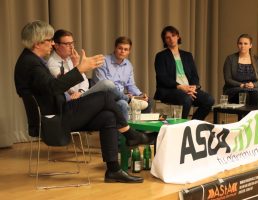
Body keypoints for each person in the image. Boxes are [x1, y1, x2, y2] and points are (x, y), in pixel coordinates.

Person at [14, 20, 154, 183]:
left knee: (108, 116)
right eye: (50, 40)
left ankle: (113, 170)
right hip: (54, 120)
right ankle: (130, 134)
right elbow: (53, 88)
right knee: (106, 96)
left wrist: (76, 68)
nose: (52, 44)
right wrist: (80, 69)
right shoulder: (31, 64)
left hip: (59, 112)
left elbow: (52, 87)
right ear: (38, 43)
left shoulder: (31, 60)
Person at [47, 29, 130, 117]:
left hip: (81, 94)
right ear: (56, 45)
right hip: (72, 101)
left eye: (72, 43)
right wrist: (77, 67)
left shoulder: (71, 58)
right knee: (107, 84)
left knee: (122, 104)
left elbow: (85, 82)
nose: (71, 47)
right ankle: (130, 100)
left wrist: (81, 90)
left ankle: (124, 130)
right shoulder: (52, 64)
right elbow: (67, 86)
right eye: (67, 44)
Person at [154, 25, 214, 120]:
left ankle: (193, 124)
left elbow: (194, 75)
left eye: (173, 36)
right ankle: (180, 126)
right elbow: (162, 77)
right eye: (167, 37)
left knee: (209, 100)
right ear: (165, 41)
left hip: (188, 89)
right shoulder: (161, 56)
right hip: (170, 90)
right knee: (186, 99)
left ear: (178, 37)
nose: (171, 39)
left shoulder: (187, 55)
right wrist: (180, 86)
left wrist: (194, 86)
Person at [92, 36, 152, 116]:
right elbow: (103, 86)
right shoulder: (103, 61)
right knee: (123, 103)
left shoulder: (128, 65)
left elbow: (131, 85)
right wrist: (124, 96)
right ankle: (126, 128)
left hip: (122, 96)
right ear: (115, 48)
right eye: (120, 48)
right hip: (106, 97)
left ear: (129, 51)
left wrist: (140, 95)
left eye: (126, 49)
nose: (122, 51)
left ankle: (140, 128)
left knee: (148, 101)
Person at [223, 34, 258, 106]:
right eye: (240, 43)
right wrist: (241, 85)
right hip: (235, 89)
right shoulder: (230, 59)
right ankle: (243, 117)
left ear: (250, 45)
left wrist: (253, 85)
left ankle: (254, 117)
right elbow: (228, 79)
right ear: (237, 45)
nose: (242, 46)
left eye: (245, 43)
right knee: (244, 95)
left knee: (255, 96)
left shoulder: (257, 59)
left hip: (254, 89)